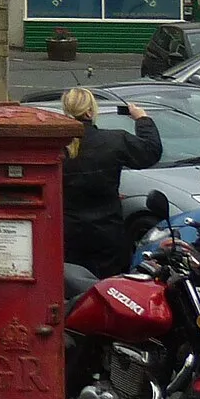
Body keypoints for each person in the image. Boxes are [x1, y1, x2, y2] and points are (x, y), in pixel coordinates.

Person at [61, 86, 162, 278]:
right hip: (107, 234)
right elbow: (151, 151)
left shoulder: (57, 145)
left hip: (69, 234)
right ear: (90, 111)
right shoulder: (113, 140)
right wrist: (142, 119)